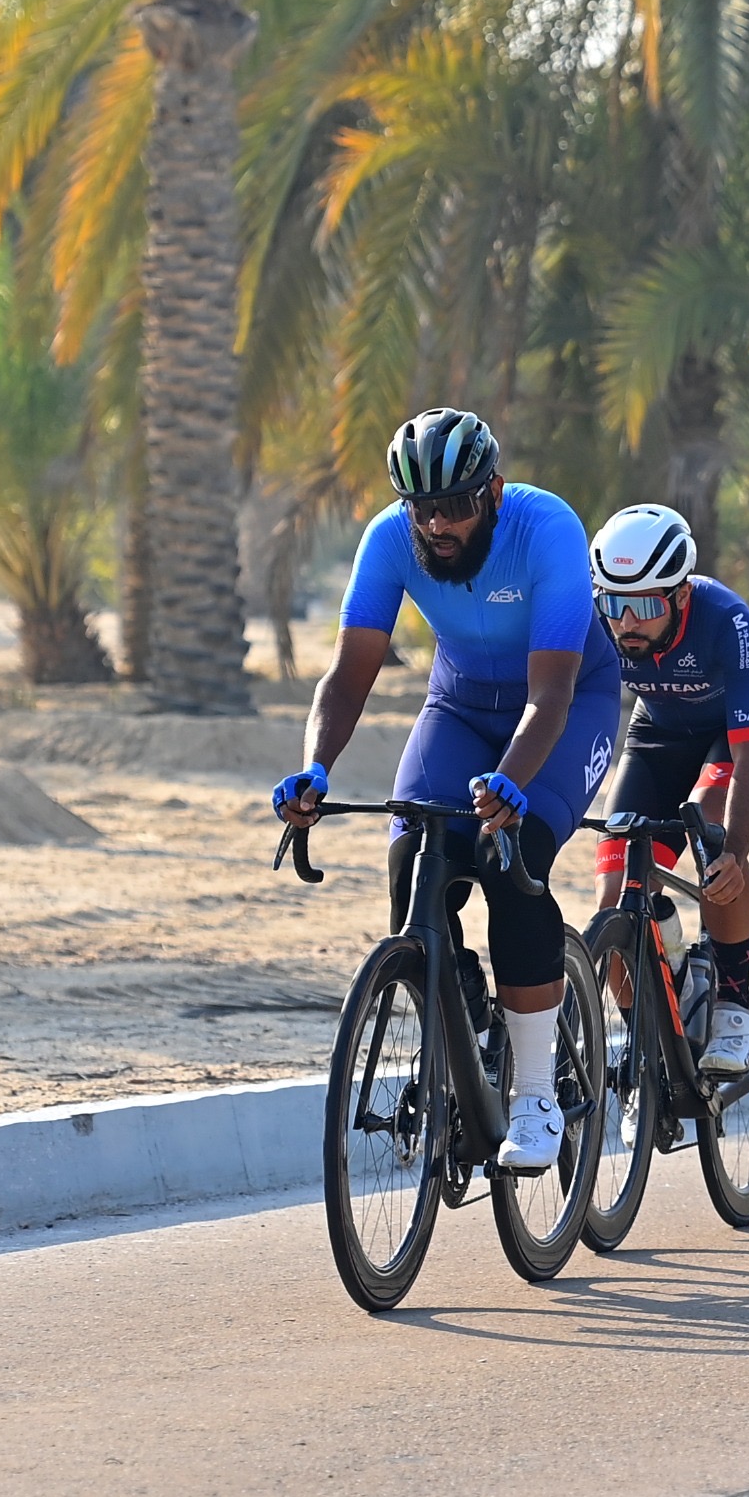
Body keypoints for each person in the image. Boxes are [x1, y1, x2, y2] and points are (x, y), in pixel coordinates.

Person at [275, 407, 622, 1172]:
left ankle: (535, 1094)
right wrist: (317, 768)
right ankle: (460, 1011)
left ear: (493, 492)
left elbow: (553, 695)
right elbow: (349, 673)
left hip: (567, 705)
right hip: (460, 706)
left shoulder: (548, 529)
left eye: (455, 505)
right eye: (421, 506)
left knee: (511, 856)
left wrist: (512, 783)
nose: (437, 524)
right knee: (411, 861)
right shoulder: (389, 539)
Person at [589, 504, 749, 1075]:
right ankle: (652, 1046)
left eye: (643, 606)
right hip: (657, 736)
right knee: (613, 891)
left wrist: (735, 853)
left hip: (740, 735)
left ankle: (733, 1003)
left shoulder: (724, 617)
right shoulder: (595, 619)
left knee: (706, 827)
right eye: (613, 604)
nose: (625, 622)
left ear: (679, 596)